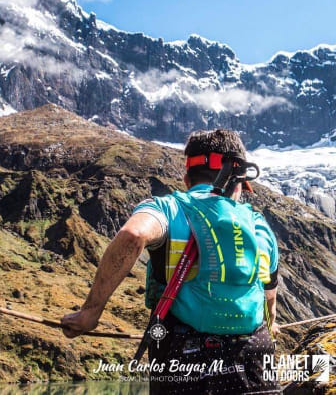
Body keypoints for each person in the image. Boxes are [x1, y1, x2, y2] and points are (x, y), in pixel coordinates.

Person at [61, 129, 280, 394]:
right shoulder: (258, 225)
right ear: (238, 179)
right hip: (253, 360)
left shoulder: (169, 208)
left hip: (183, 359)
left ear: (187, 178)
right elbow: (269, 298)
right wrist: (272, 325)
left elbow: (133, 235)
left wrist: (91, 312)